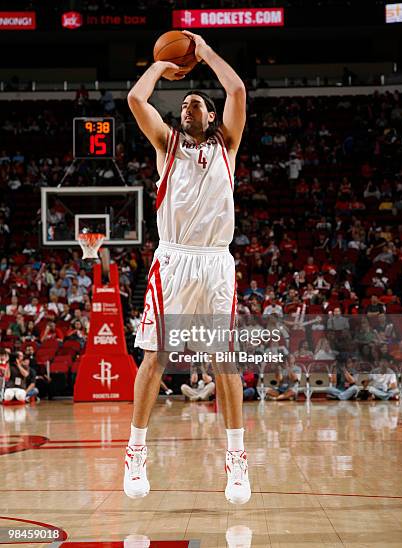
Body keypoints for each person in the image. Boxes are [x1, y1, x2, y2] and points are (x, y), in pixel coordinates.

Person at [126, 30, 250, 504]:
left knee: (225, 360)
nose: (187, 109)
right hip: (174, 259)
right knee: (155, 358)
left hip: (216, 262)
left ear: (212, 115)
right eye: (183, 106)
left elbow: (237, 90)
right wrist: (164, 67)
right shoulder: (166, 144)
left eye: (195, 104)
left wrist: (204, 53)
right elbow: (137, 99)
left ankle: (236, 462)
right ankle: (135, 452)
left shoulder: (228, 145)